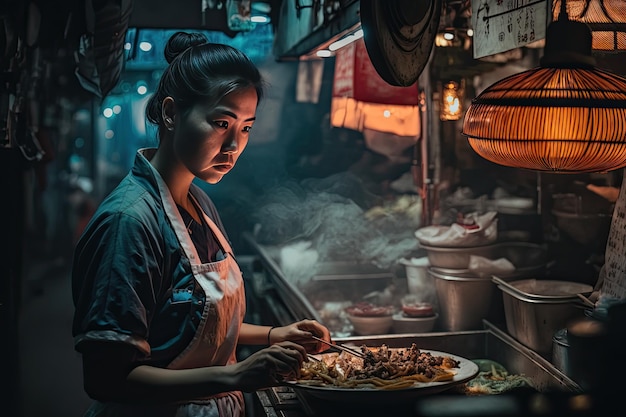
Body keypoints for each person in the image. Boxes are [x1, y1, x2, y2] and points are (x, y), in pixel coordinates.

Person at [71, 31, 331, 417]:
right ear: (172, 113)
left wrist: (275, 334)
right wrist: (235, 376)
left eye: (245, 128)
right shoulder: (128, 223)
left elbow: (189, 325)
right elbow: (107, 378)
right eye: (221, 123)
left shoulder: (199, 203)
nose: (233, 147)